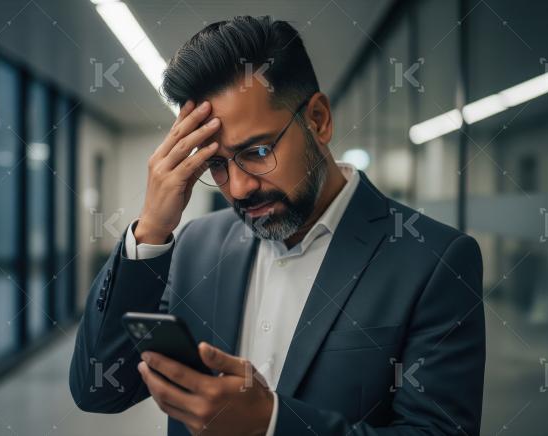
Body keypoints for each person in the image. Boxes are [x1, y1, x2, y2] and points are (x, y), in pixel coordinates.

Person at [69, 15, 485, 436]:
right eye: (216, 164)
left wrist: (272, 424)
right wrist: (151, 230)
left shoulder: (432, 260)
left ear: (318, 120)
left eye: (258, 150)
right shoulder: (195, 246)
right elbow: (99, 388)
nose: (240, 187)